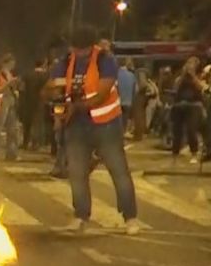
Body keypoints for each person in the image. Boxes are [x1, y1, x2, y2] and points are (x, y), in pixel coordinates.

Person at [46, 24, 140, 234]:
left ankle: (130, 217)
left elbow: (102, 94)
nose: (78, 53)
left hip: (106, 124)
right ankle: (81, 216)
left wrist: (74, 107)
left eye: (82, 49)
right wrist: (57, 107)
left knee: (118, 170)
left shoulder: (105, 60)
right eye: (75, 48)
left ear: (91, 46)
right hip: (77, 126)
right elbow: (56, 90)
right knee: (77, 172)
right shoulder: (66, 62)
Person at [171, 57, 206, 162]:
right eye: (188, 62)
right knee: (177, 131)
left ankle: (194, 153)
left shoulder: (200, 76)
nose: (190, 64)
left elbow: (201, 88)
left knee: (191, 129)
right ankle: (175, 153)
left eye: (193, 63)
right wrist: (183, 75)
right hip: (180, 105)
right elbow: (175, 88)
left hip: (194, 105)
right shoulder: (180, 78)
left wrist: (193, 75)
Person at [21, 58, 47, 151]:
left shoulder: (28, 74)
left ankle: (25, 142)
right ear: (43, 64)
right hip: (39, 101)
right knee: (37, 123)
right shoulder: (45, 75)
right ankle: (35, 144)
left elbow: (22, 87)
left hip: (27, 100)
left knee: (27, 123)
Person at [117, 59, 137, 136]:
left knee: (117, 119)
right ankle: (124, 132)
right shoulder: (132, 75)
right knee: (125, 119)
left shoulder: (116, 74)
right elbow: (135, 90)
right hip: (128, 101)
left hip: (118, 101)